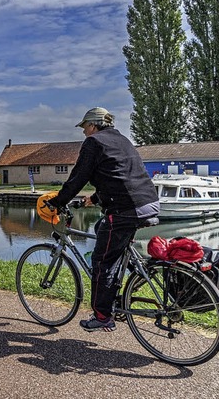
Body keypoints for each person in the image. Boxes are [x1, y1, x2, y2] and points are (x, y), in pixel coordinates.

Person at [48, 107, 159, 332]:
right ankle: (123, 278)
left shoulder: (94, 142)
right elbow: (120, 174)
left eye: (84, 128)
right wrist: (96, 198)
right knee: (101, 228)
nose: (83, 133)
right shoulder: (122, 140)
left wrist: (59, 201)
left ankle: (102, 316)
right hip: (148, 202)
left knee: (101, 262)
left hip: (124, 210)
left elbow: (78, 177)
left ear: (93, 125)